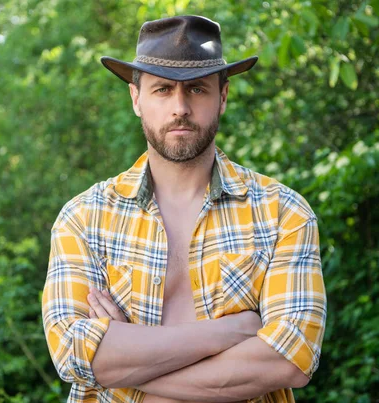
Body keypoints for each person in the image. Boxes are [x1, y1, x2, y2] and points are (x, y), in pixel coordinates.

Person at [42, 15, 326, 403]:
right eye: (161, 90)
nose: (180, 107)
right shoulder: (84, 218)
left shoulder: (283, 213)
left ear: (223, 97)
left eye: (196, 89)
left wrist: (124, 359)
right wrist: (231, 332)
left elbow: (290, 361)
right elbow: (74, 355)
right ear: (136, 99)